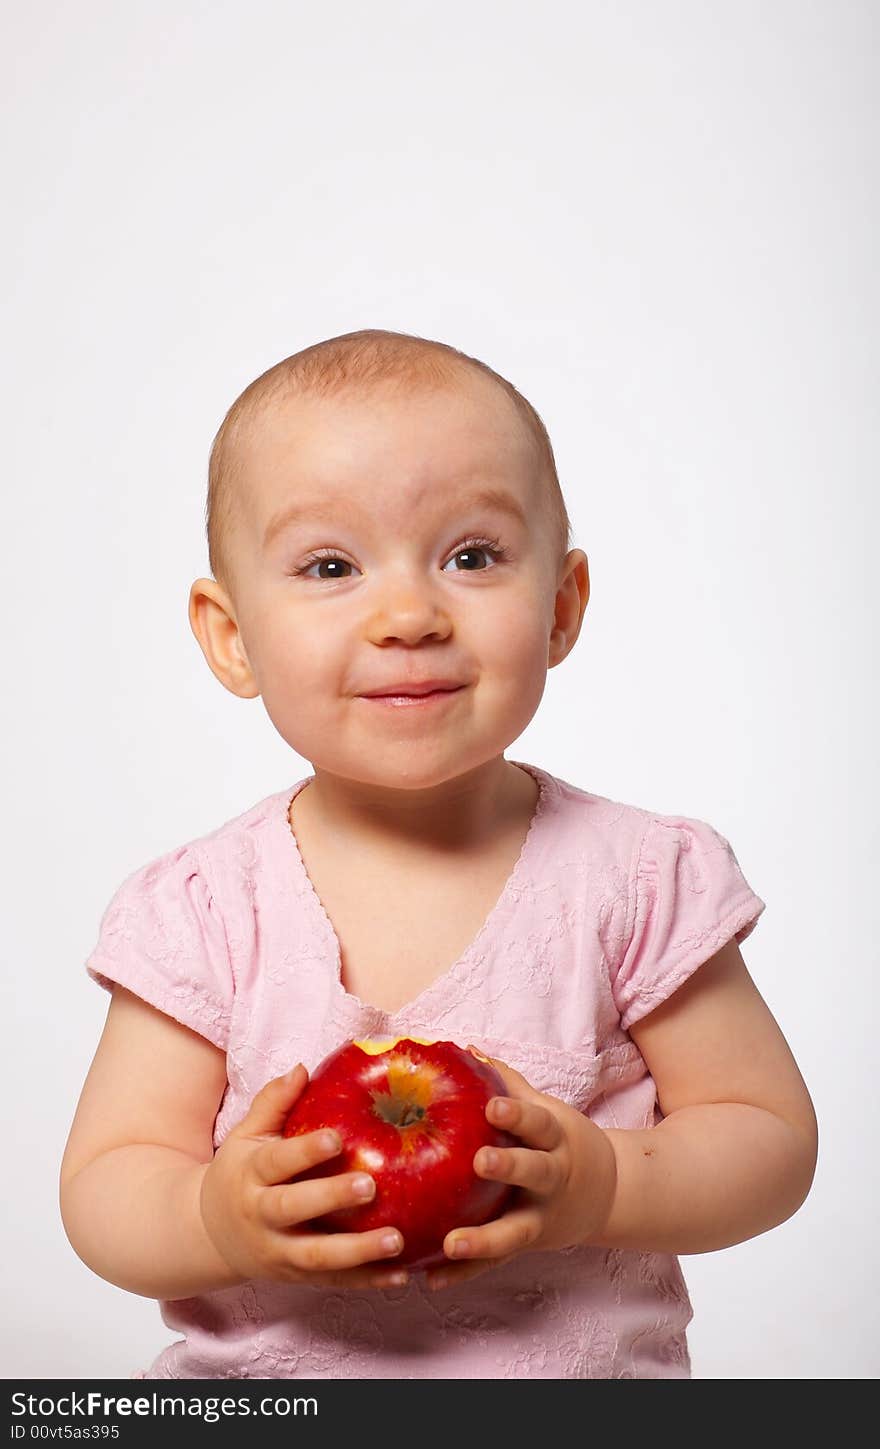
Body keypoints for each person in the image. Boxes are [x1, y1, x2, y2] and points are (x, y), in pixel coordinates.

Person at [59, 328, 818, 1380]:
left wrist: (606, 1185)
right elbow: (106, 1184)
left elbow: (768, 1141)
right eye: (331, 565)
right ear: (231, 637)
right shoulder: (202, 910)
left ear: (558, 607)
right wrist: (214, 1216)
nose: (408, 615)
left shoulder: (638, 882)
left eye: (471, 557)